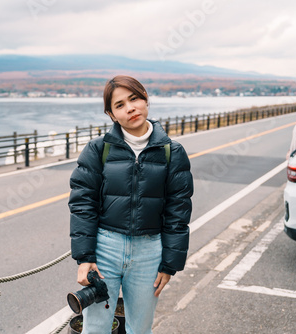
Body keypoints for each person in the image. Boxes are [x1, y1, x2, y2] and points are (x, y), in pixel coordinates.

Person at [69, 75, 193, 334]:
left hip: (149, 252)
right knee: (96, 329)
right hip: (105, 250)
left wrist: (169, 264)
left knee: (140, 329)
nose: (130, 108)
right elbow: (83, 204)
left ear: (146, 98)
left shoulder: (172, 152)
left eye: (134, 99)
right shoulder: (97, 150)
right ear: (112, 114)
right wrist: (85, 257)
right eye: (120, 105)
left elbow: (178, 211)